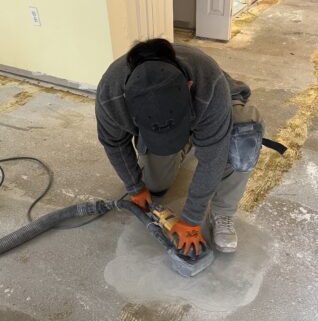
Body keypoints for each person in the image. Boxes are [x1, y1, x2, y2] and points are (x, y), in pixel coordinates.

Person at [95, 39, 260, 257]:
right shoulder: (111, 96)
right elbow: (114, 143)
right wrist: (135, 186)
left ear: (188, 87)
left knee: (243, 137)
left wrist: (191, 221)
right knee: (155, 186)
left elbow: (214, 156)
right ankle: (185, 144)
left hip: (217, 106)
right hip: (178, 117)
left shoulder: (208, 84)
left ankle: (223, 212)